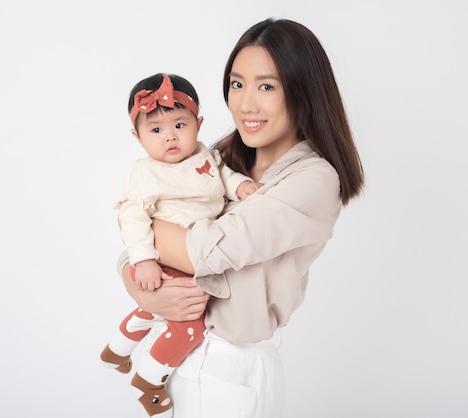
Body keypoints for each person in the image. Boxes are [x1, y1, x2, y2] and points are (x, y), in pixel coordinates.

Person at [118, 18, 364, 418]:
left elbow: (204, 253)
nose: (245, 104)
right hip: (176, 352)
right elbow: (132, 238)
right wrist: (140, 285)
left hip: (233, 369)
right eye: (237, 84)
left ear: (304, 91)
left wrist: (143, 231)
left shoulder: (313, 180)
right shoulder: (214, 159)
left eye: (266, 86)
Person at [100, 72, 261, 417]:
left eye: (179, 125)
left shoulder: (205, 155)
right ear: (138, 137)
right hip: (161, 258)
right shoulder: (144, 172)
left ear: (198, 124)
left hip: (195, 252)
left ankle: (116, 350)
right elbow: (132, 217)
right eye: (156, 130)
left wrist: (241, 188)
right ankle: (150, 381)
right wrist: (142, 260)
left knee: (156, 308)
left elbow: (223, 176)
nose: (170, 137)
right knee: (189, 322)